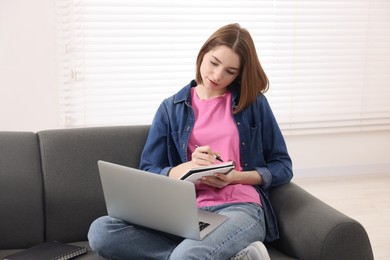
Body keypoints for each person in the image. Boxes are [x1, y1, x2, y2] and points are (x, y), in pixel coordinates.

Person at [88, 23, 293, 260]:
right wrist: (187, 168)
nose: (217, 76)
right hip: (186, 214)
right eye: (214, 63)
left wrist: (235, 176)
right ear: (203, 53)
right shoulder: (171, 108)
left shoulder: (254, 104)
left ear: (240, 73)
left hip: (240, 208)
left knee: (185, 256)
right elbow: (148, 169)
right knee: (102, 231)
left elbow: (282, 166)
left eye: (230, 71)